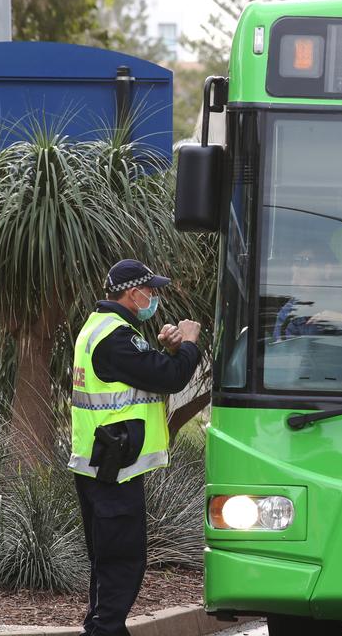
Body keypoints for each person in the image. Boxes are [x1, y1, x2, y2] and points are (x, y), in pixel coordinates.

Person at [68, 258, 202, 636]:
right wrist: (189, 344)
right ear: (132, 293)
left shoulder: (101, 328)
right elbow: (170, 378)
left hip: (101, 463)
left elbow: (146, 372)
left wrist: (167, 350)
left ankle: (100, 626)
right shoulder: (116, 337)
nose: (154, 298)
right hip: (114, 468)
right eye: (151, 291)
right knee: (122, 562)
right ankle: (105, 630)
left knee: (107, 561)